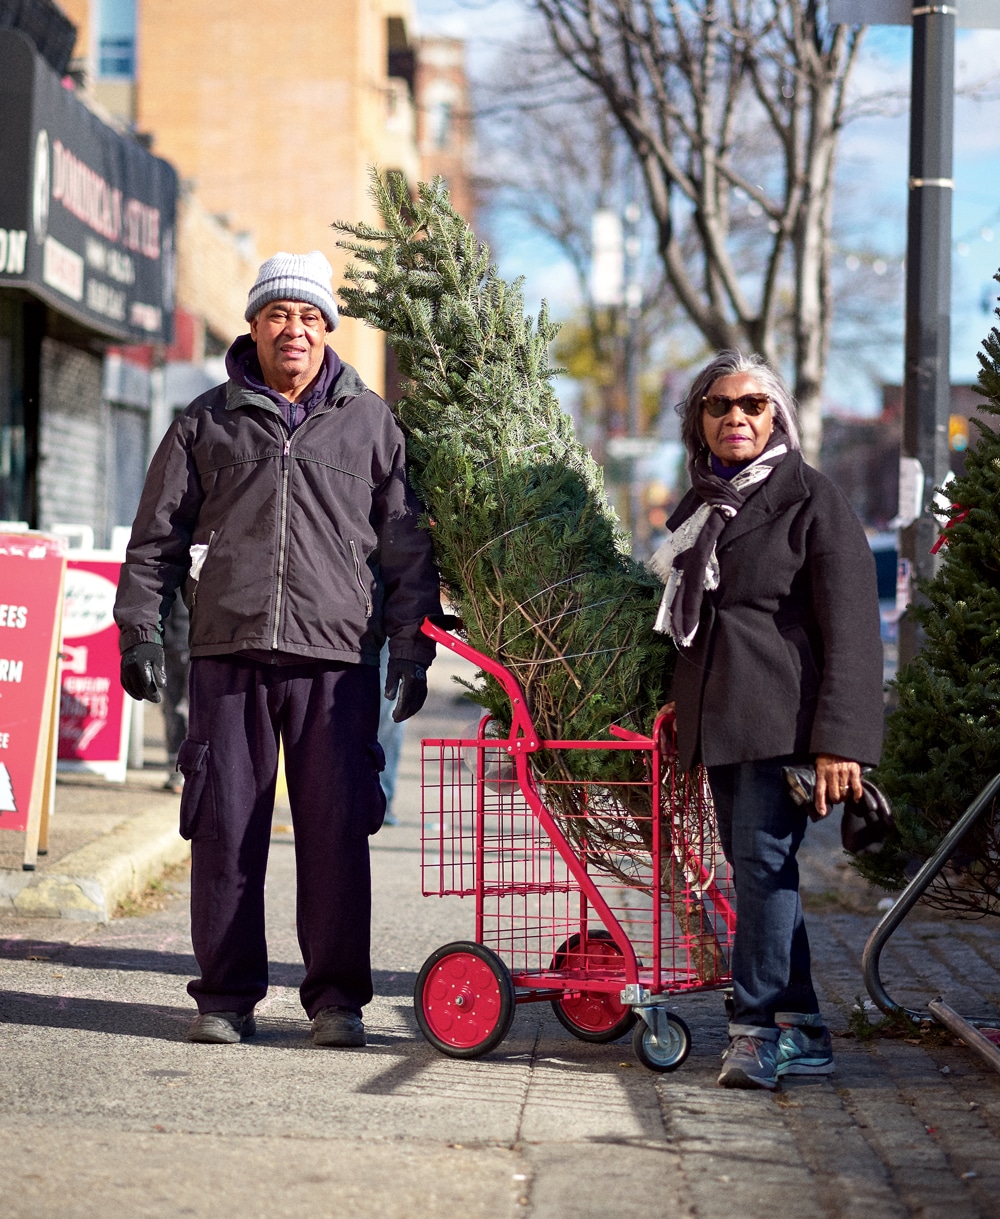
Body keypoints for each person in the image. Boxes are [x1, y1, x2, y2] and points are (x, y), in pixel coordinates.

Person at [114, 251, 441, 1049]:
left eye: (308, 316)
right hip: (228, 651)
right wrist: (139, 628)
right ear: (253, 325)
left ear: (328, 327)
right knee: (225, 826)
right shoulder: (204, 419)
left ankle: (337, 1000)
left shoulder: (371, 423)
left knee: (336, 833)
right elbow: (156, 535)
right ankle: (224, 996)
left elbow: (405, 548)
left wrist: (410, 647)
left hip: (335, 662)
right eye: (277, 314)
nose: (293, 329)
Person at [649, 350, 883, 1091]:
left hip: (784, 722)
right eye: (720, 405)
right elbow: (698, 621)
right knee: (762, 873)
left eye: (753, 404)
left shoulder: (812, 498)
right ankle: (804, 1026)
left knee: (761, 871)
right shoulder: (698, 507)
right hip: (719, 719)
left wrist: (841, 743)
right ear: (700, 421)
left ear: (775, 415)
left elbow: (851, 628)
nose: (737, 417)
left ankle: (754, 1032)